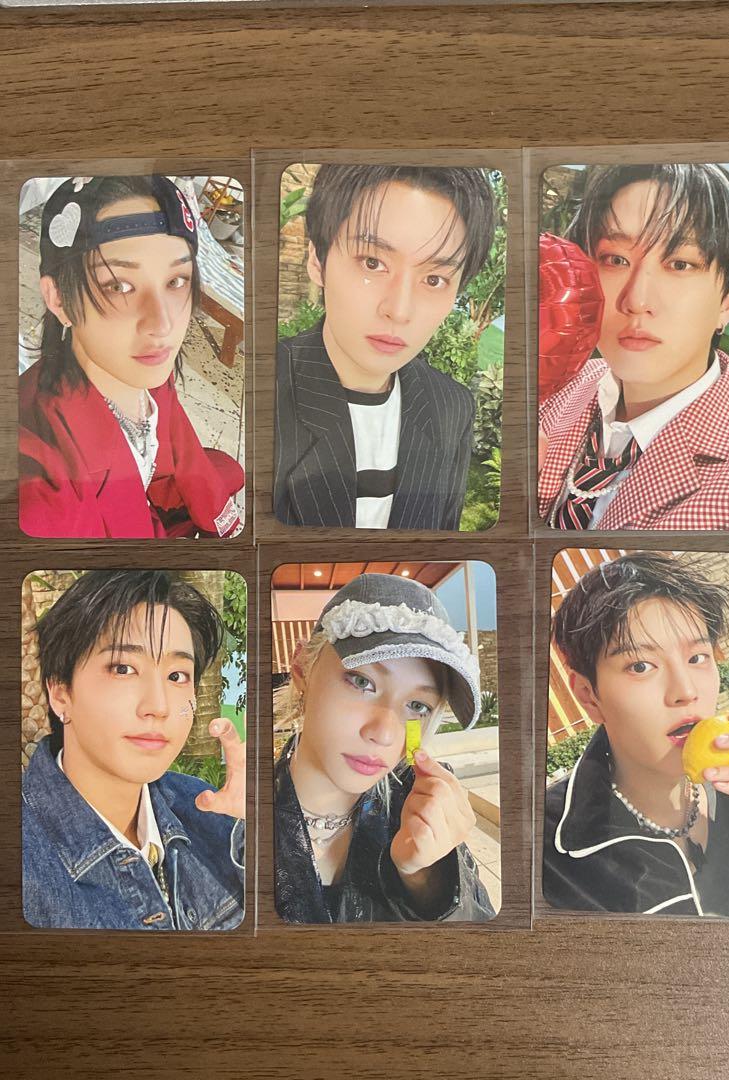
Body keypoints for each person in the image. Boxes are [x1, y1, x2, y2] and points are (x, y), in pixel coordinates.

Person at [543, 552, 729, 916]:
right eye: (640, 666)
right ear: (589, 696)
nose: (685, 691)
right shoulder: (549, 846)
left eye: (697, 658)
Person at [537, 163, 729, 531]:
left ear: (727, 302)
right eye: (616, 260)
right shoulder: (559, 387)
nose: (636, 300)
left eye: (679, 264)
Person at [19, 175, 244, 539]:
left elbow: (182, 445)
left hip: (148, 495)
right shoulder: (46, 483)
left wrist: (221, 521)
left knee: (225, 474)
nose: (163, 324)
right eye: (119, 286)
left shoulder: (142, 366)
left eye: (176, 281)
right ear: (59, 298)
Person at [274, 165, 497, 530]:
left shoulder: (452, 408)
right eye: (372, 263)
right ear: (318, 260)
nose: (399, 310)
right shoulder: (263, 392)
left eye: (434, 279)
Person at [22, 570, 246, 930]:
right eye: (123, 669)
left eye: (177, 676)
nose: (158, 706)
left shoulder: (213, 813)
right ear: (60, 692)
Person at [274, 572, 495, 923]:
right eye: (362, 682)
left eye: (417, 706)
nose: (385, 734)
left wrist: (426, 881)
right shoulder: (236, 820)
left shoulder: (419, 813)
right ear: (302, 668)